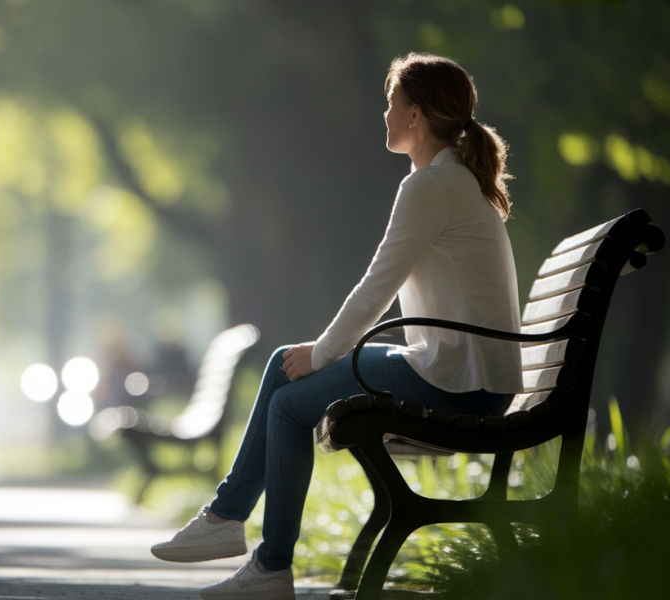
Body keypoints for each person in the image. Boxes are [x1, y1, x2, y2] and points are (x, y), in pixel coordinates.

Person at [149, 53, 523, 599]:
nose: (386, 114)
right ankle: (227, 521)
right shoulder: (447, 180)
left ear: (416, 114)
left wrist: (324, 354)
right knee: (283, 363)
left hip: (463, 386)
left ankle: (268, 562)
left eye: (392, 103)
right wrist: (320, 351)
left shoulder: (433, 186)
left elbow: (378, 287)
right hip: (461, 374)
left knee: (288, 402)